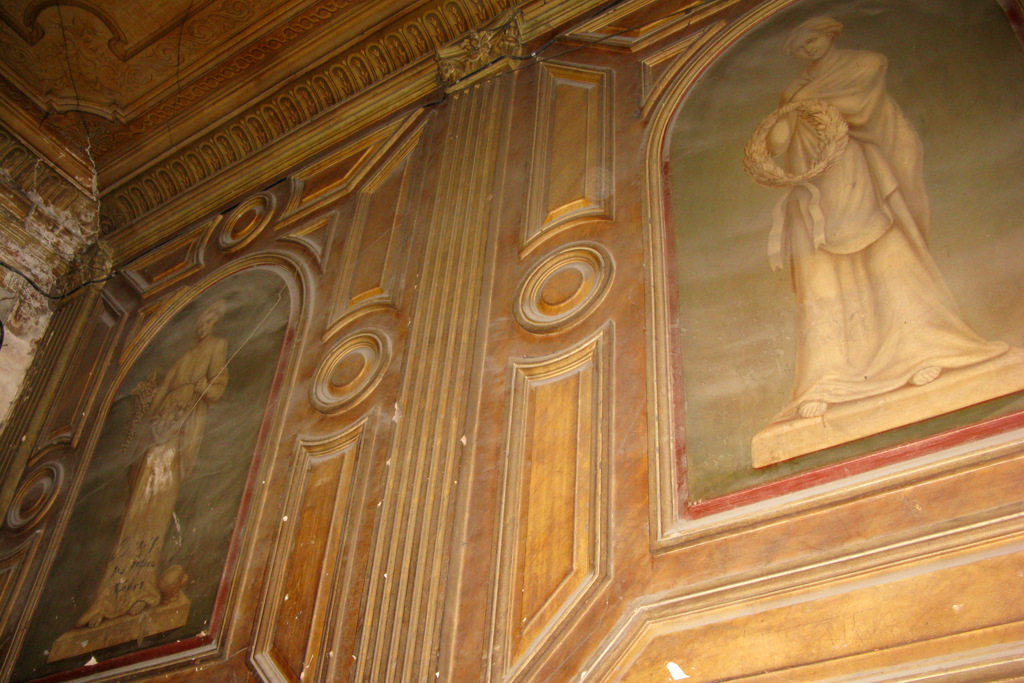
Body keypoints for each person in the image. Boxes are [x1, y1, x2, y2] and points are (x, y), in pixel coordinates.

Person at [747, 16, 1008, 420]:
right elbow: (779, 142)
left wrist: (804, 99)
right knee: (821, 280)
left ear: (830, 34)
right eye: (799, 45)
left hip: (858, 175)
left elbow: (861, 109)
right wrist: (787, 112)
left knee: (890, 259)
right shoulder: (793, 91)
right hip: (813, 192)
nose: (808, 47)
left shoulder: (865, 63)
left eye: (812, 38)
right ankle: (826, 378)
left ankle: (924, 350)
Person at [76, 300, 229, 628]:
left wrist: (203, 387)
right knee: (135, 510)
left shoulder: (217, 346)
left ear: (216, 323)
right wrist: (144, 408)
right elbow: (160, 392)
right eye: (203, 318)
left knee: (158, 506)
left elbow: (217, 387)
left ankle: (141, 589)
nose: (204, 324)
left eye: (211, 318)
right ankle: (110, 596)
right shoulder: (185, 354)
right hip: (160, 429)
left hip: (180, 429)